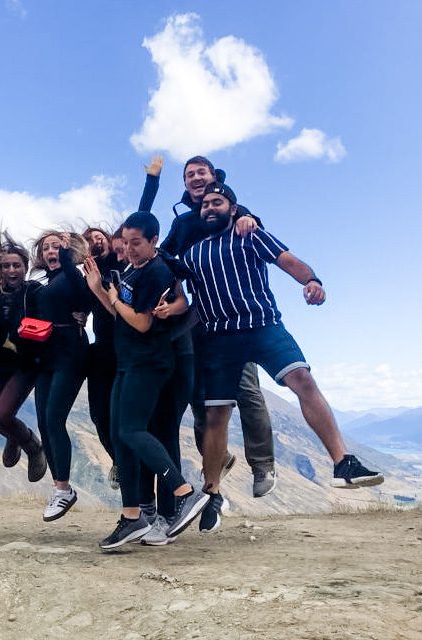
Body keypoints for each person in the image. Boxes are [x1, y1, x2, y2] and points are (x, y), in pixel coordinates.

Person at [183, 182, 383, 519]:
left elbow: (288, 261)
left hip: (264, 326)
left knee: (303, 380)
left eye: (217, 202)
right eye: (204, 205)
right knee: (216, 415)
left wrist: (312, 281)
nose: (209, 208)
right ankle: (211, 493)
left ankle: (343, 463)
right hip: (220, 338)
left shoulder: (252, 234)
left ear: (233, 209)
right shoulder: (192, 253)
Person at [141, 155, 278, 500]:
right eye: (189, 175)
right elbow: (164, 256)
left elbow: (252, 226)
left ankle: (262, 465)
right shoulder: (185, 223)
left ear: (214, 177)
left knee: (246, 391)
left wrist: (248, 217)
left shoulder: (237, 212)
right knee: (199, 395)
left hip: (237, 319)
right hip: (199, 318)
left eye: (201, 172)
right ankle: (217, 457)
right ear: (186, 185)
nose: (196, 178)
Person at [85, 211, 210, 550]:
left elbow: (141, 323)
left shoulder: (157, 272)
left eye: (136, 243)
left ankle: (184, 493)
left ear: (153, 241)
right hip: (128, 362)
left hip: (150, 363)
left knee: (132, 430)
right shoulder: (131, 271)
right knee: (119, 434)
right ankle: (132, 517)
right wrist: (100, 291)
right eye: (125, 242)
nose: (129, 248)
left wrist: (110, 297)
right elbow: (120, 316)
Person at [0, 235, 47, 482]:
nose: (11, 270)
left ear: (25, 268)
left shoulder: (34, 292)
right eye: (6, 266)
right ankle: (12, 436)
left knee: (2, 416)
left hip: (25, 364)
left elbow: (55, 312)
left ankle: (33, 447)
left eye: (17, 265)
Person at [30, 230, 92, 521]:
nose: (51, 251)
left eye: (57, 246)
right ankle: (61, 490)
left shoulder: (74, 275)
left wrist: (68, 255)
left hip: (70, 353)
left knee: (54, 417)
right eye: (46, 248)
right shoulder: (43, 281)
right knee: (43, 421)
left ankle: (63, 486)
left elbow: (82, 294)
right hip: (46, 356)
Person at [81, 225, 121, 486]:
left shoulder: (123, 266)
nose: (96, 242)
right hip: (102, 346)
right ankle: (118, 461)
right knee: (98, 412)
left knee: (124, 412)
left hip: (126, 347)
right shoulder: (88, 275)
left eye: (100, 237)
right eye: (90, 241)